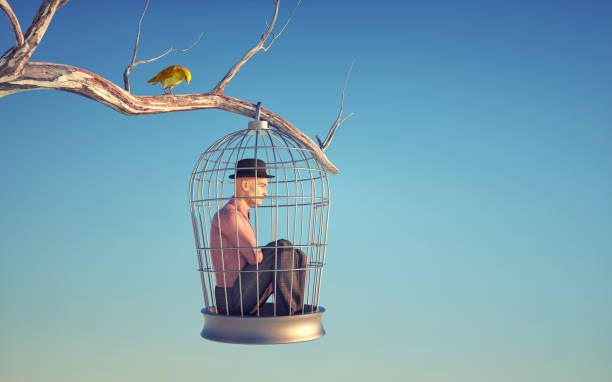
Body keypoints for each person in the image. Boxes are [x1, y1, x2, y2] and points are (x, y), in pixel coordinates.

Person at [210, 158, 306, 316]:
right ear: (246, 185)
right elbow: (255, 257)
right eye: (262, 186)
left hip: (243, 292)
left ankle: (294, 309)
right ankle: (288, 312)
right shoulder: (229, 215)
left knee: (297, 255)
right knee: (283, 248)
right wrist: (271, 254)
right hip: (232, 300)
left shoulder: (241, 214)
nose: (266, 192)